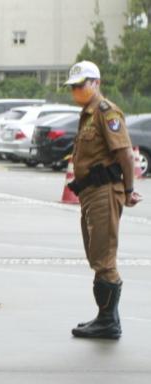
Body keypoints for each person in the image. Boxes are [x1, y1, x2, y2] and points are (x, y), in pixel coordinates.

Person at [65, 61, 142, 339]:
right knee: (96, 254)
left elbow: (124, 154)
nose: (76, 90)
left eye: (81, 85)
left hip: (105, 191)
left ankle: (109, 322)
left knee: (104, 256)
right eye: (73, 87)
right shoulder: (86, 114)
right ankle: (105, 317)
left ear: (96, 83)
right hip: (90, 193)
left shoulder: (106, 112)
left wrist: (129, 189)